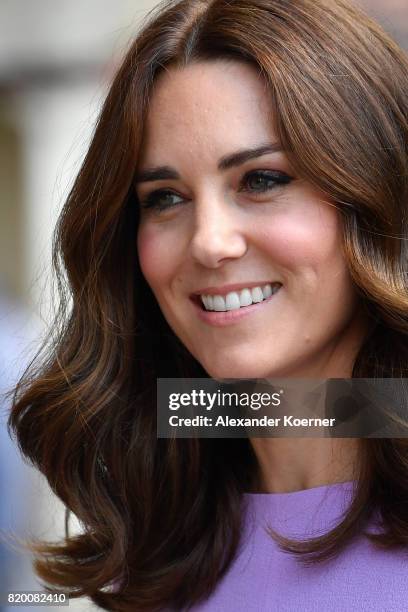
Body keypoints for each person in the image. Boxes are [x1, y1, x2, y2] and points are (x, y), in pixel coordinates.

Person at [9, 0, 408, 610]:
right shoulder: (157, 549)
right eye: (165, 197)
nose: (208, 243)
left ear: (377, 191)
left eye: (263, 180)